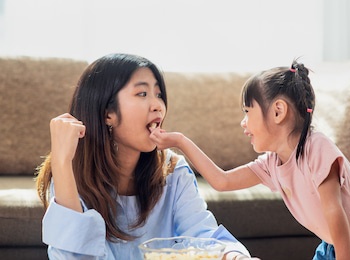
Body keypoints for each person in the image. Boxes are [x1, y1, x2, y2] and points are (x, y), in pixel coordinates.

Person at [149, 60, 350, 260]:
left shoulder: (317, 147)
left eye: (247, 111)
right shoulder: (271, 164)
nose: (243, 122)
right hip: (335, 246)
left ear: (277, 111)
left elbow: (334, 213)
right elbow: (222, 181)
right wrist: (180, 141)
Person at [35, 53, 258, 260]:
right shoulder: (71, 176)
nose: (158, 106)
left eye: (159, 94)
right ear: (107, 114)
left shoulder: (173, 170)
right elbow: (72, 256)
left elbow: (203, 235)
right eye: (142, 93)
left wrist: (235, 256)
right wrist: (62, 162)